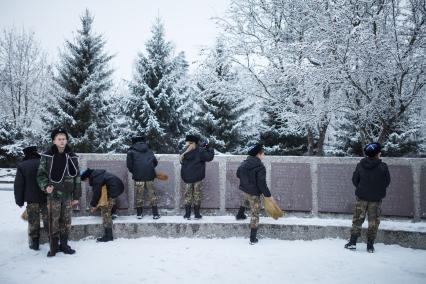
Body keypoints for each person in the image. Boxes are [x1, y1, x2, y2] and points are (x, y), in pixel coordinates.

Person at [37, 128, 81, 257]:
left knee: (66, 221)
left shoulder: (72, 157)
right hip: (54, 195)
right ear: (54, 141)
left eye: (64, 139)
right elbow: (40, 175)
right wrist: (46, 186)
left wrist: (76, 196)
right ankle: (54, 246)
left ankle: (64, 245)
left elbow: (77, 177)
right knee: (53, 221)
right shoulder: (47, 156)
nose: (62, 141)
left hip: (68, 195)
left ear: (66, 140)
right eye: (59, 139)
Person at [344, 142, 391, 253]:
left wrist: (362, 189)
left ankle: (352, 242)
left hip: (362, 197)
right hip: (376, 199)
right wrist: (377, 190)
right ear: (377, 154)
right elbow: (386, 182)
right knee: (373, 222)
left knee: (357, 219)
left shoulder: (360, 165)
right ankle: (370, 245)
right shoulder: (383, 167)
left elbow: (355, 180)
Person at [14, 146, 48, 251]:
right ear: (35, 152)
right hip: (46, 197)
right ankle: (53, 240)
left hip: (31, 199)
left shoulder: (22, 166)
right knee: (49, 219)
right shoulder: (45, 163)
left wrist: (19, 201)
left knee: (33, 221)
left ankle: (35, 243)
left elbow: (19, 185)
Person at [236, 143, 271, 244]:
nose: (264, 155)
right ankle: (252, 238)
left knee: (246, 199)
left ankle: (240, 215)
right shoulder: (260, 166)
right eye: (263, 153)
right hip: (255, 192)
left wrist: (246, 182)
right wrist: (268, 195)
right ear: (258, 154)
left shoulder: (244, 162)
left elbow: (238, 174)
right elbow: (262, 183)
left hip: (246, 188)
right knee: (255, 213)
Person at [80, 168, 124, 242]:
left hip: (114, 189)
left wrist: (93, 205)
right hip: (117, 187)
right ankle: (112, 213)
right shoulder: (96, 174)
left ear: (87, 177)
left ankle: (109, 236)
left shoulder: (96, 179)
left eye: (85, 180)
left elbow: (96, 193)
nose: (87, 182)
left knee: (105, 211)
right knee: (106, 205)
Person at [180, 134, 214, 220]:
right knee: (197, 195)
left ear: (189, 142)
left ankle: (187, 214)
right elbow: (209, 157)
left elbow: (182, 162)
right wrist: (209, 148)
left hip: (187, 177)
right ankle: (197, 214)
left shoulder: (184, 151)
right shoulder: (200, 151)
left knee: (188, 195)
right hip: (198, 178)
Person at [126, 135, 160, 219]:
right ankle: (155, 214)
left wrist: (134, 171)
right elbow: (155, 162)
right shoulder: (149, 150)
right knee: (152, 194)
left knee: (139, 195)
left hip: (138, 176)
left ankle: (139, 214)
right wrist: (150, 169)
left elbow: (129, 165)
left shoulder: (131, 151)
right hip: (150, 175)